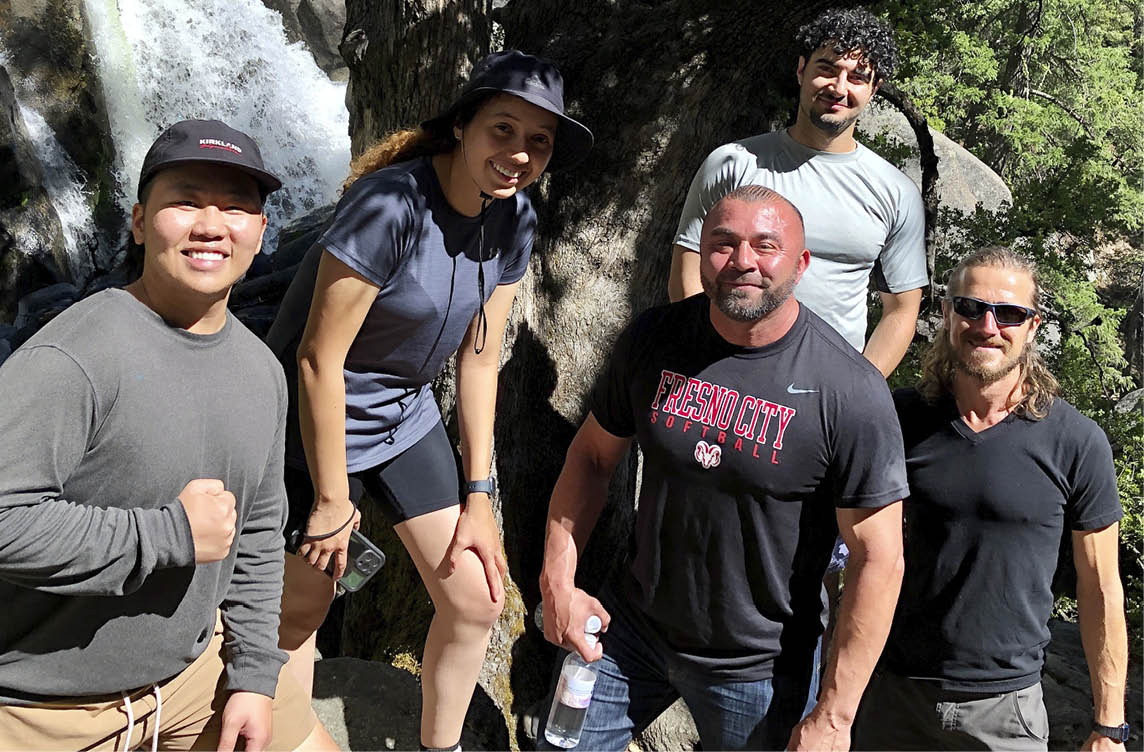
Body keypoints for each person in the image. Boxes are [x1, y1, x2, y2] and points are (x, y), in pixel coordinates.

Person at [265, 51, 593, 752]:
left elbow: (480, 357)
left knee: (475, 601)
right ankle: (292, 738)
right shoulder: (390, 205)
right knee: (303, 607)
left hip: (403, 415)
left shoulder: (516, 217)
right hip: (311, 422)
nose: (519, 155)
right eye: (503, 131)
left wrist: (479, 491)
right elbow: (318, 360)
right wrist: (329, 501)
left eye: (539, 142)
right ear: (463, 127)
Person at [0, 119, 335, 751]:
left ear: (262, 234)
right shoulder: (73, 358)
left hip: (190, 680)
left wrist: (254, 679)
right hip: (43, 709)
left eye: (237, 208)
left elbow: (259, 536)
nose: (211, 225)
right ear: (137, 222)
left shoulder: (262, 371)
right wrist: (169, 534)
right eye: (185, 201)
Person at [537, 185, 906, 751]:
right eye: (723, 243)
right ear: (700, 252)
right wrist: (558, 581)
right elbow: (591, 456)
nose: (742, 262)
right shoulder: (654, 339)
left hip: (760, 667)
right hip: (633, 630)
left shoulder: (849, 391)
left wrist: (834, 715)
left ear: (801, 264)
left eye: (766, 245)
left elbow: (879, 558)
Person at [853, 247, 1129, 751]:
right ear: (946, 314)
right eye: (971, 308)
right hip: (891, 695)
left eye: (1009, 314)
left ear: (1033, 326)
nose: (987, 325)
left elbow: (1101, 588)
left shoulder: (1075, 442)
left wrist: (1109, 725)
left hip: (1006, 714)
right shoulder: (896, 421)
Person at [668, 6, 926, 379]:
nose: (839, 87)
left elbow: (901, 310)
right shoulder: (732, 164)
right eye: (826, 68)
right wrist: (712, 362)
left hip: (828, 392)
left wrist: (858, 391)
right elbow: (687, 270)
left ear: (874, 88)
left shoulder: (896, 193)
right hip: (726, 378)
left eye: (857, 77)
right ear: (801, 69)